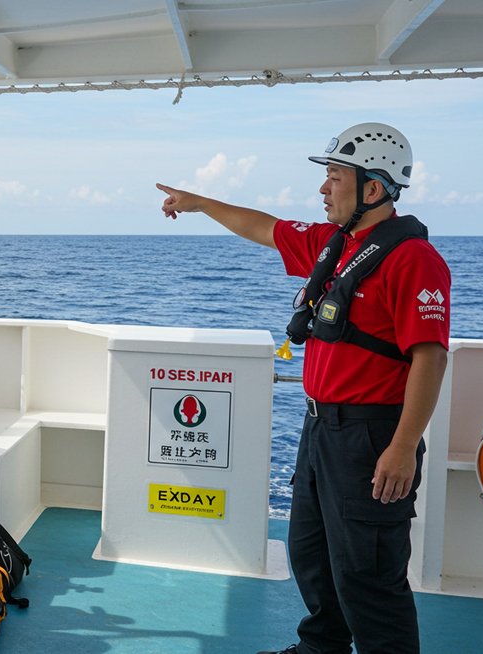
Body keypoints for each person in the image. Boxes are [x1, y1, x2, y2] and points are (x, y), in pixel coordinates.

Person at [157, 122, 450, 654]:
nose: (323, 189)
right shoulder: (332, 245)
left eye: (335, 177)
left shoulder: (413, 259)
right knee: (312, 553)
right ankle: (322, 648)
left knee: (369, 574)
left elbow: (429, 357)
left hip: (371, 436)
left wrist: (403, 447)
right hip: (319, 428)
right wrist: (199, 201)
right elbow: (263, 227)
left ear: (373, 188)